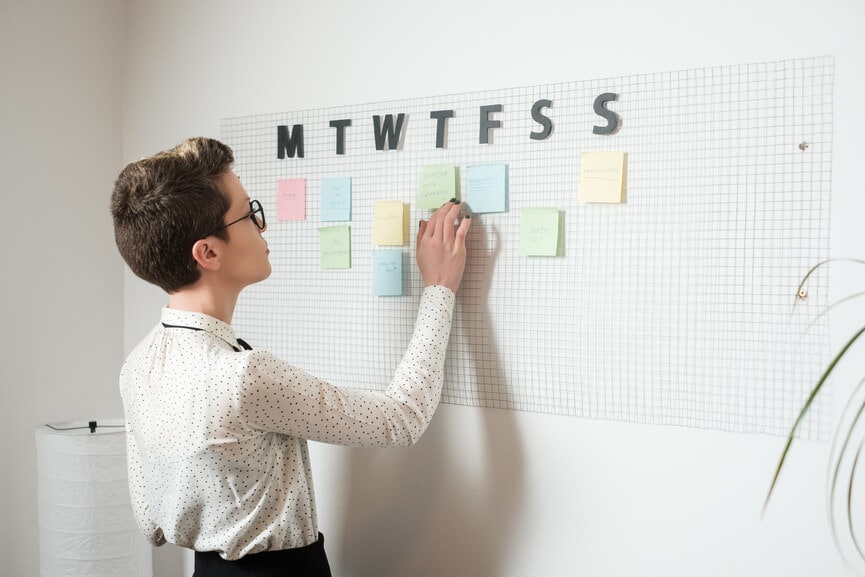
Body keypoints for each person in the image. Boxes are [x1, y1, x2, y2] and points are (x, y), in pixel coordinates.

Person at [110, 136, 471, 577]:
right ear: (208, 252)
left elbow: (151, 523)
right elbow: (401, 420)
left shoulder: (137, 366)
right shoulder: (241, 375)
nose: (262, 227)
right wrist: (439, 287)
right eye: (248, 214)